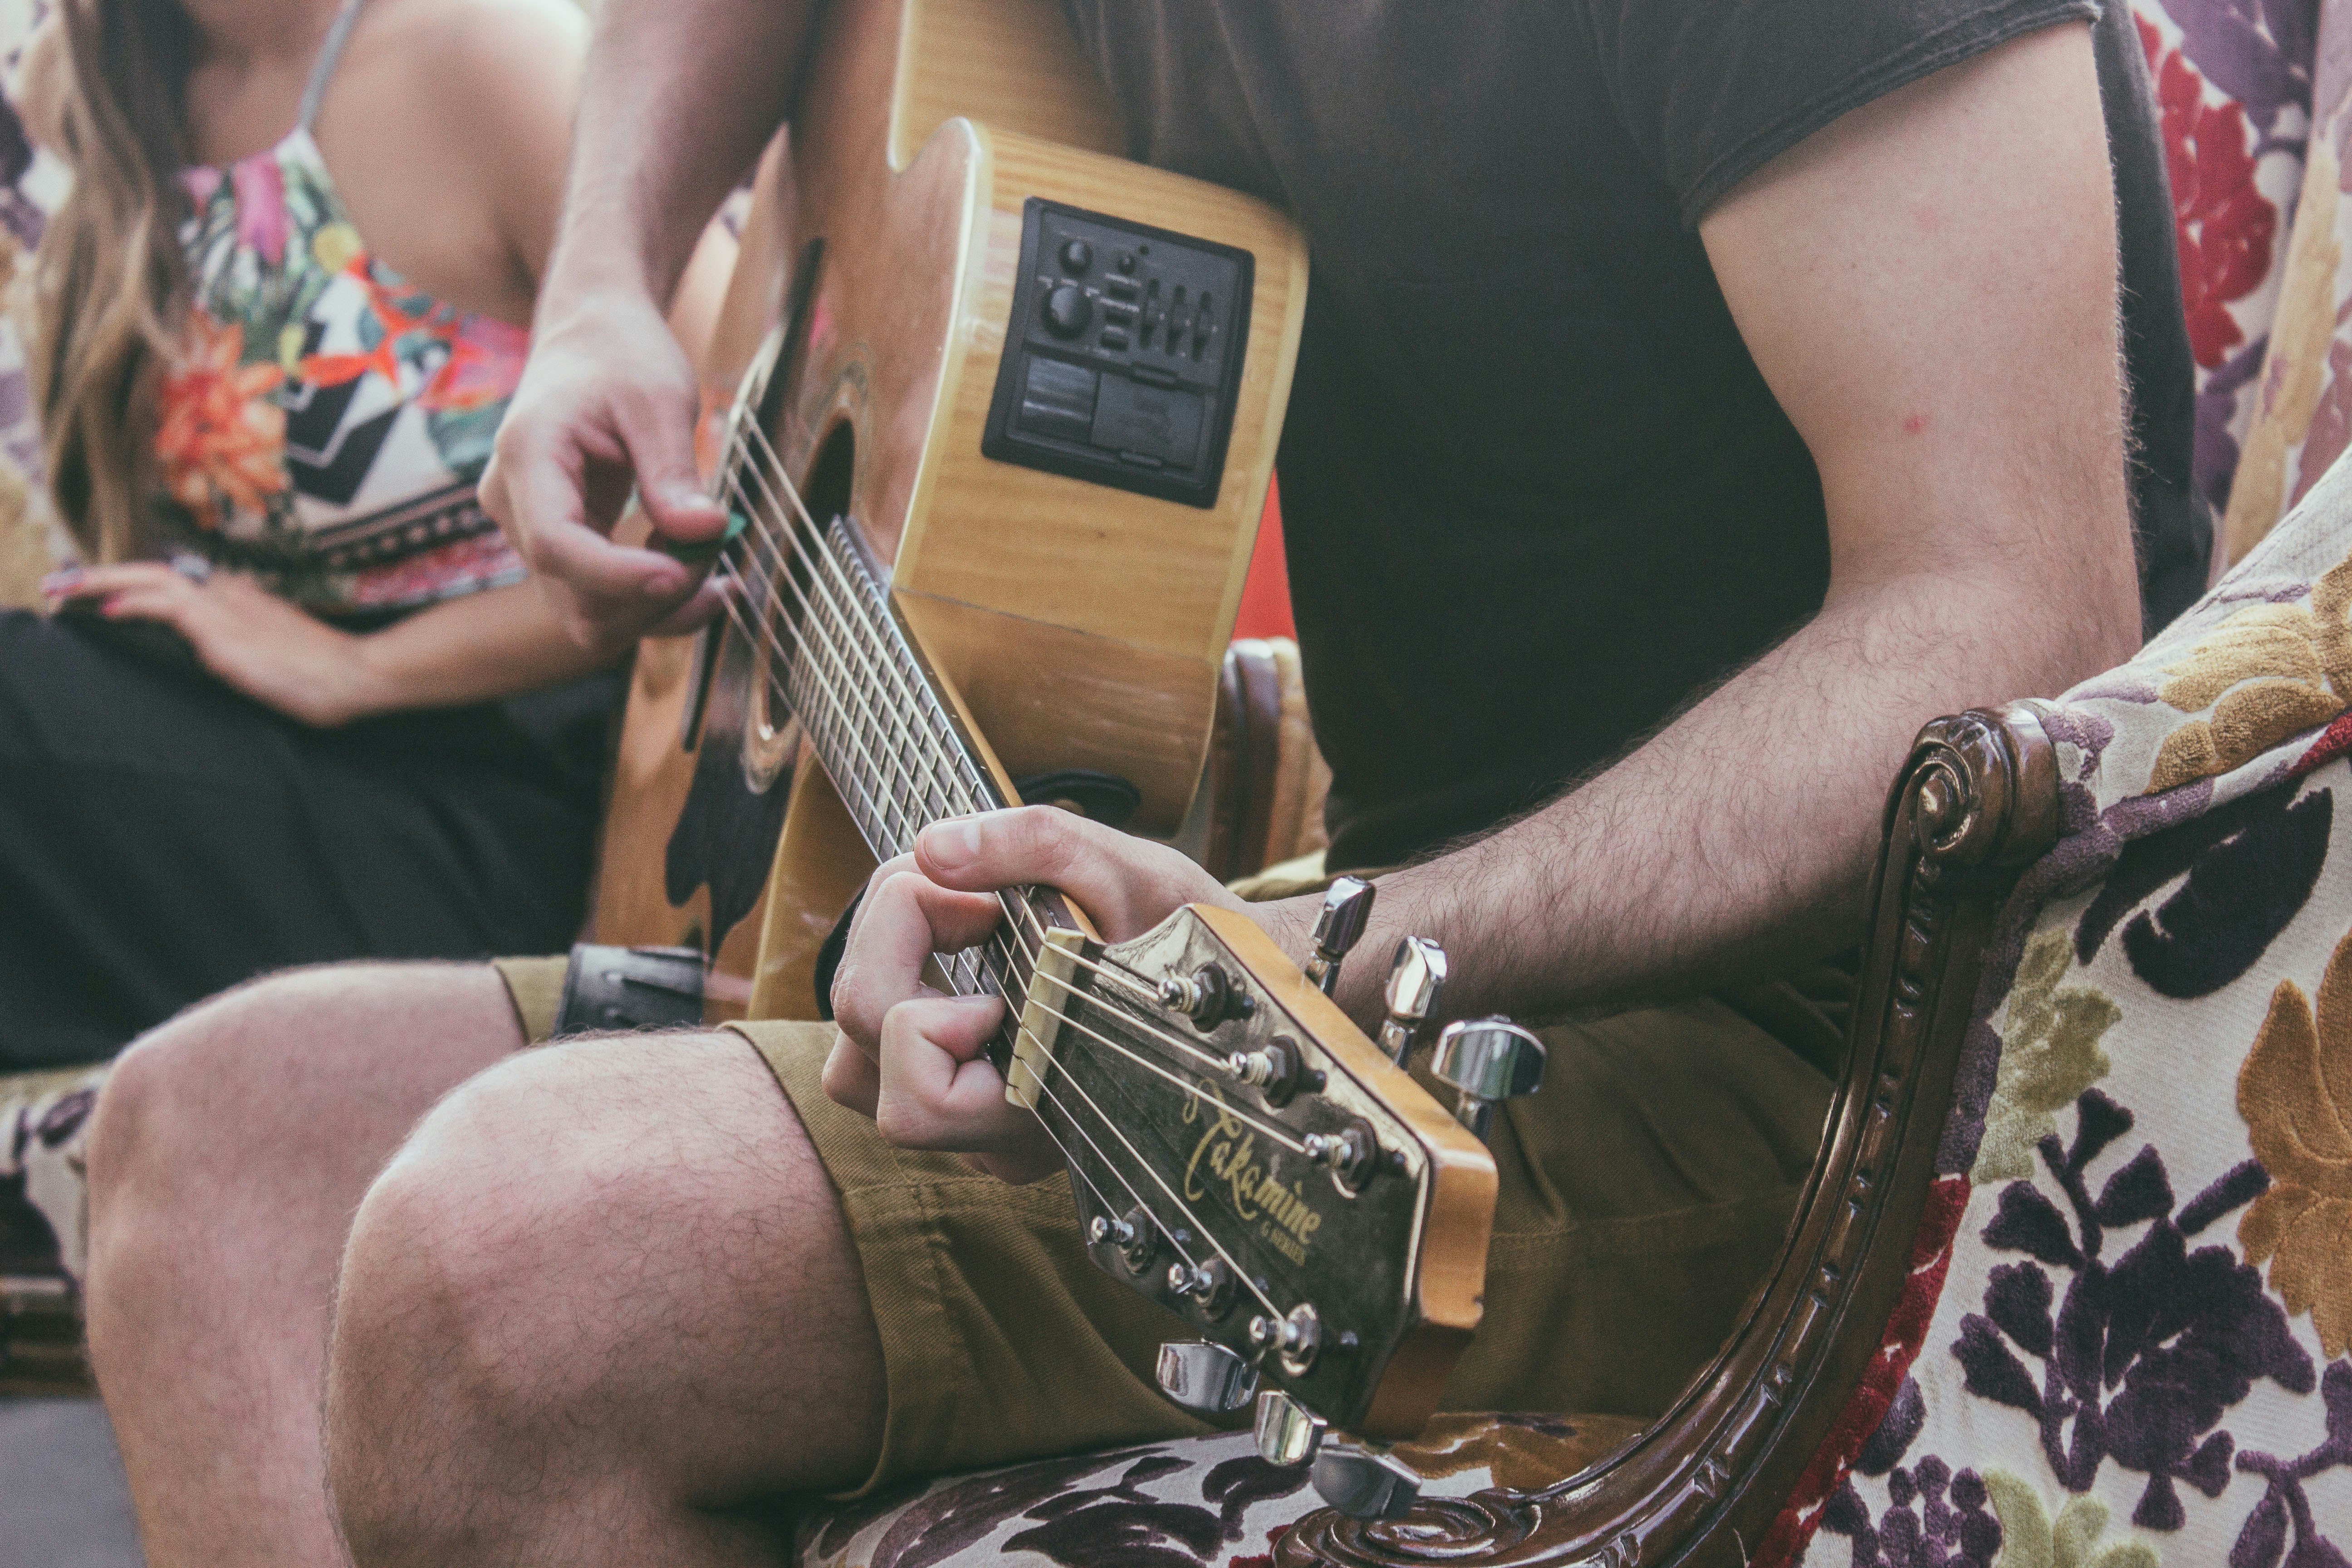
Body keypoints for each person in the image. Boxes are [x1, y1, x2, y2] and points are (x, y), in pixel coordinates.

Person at [81, 0, 2203, 1563]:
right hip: (1354, 941)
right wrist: (607, 288)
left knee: (516, 1261)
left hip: (1837, 1058)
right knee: (214, 1145)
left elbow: (2012, 620)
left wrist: (1312, 949)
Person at [0, 0, 728, 1070]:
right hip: (273, 729)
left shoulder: (490, 57)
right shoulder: (93, 83)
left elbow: (747, 461)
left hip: (535, 782)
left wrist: (364, 668)